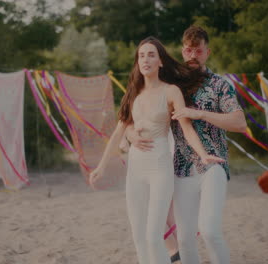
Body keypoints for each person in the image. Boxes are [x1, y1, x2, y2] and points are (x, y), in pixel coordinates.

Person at [89, 36, 224, 264]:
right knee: (138, 236)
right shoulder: (133, 93)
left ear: (161, 61)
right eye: (141, 55)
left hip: (160, 169)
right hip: (135, 169)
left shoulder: (171, 91)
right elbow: (118, 132)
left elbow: (187, 129)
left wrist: (202, 154)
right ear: (137, 62)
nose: (146, 59)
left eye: (151, 54)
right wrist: (101, 167)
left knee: (153, 237)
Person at [126, 25, 247, 264]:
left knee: (210, 231)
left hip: (213, 162)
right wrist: (131, 134)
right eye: (189, 51)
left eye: (198, 51)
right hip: (180, 169)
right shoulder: (173, 85)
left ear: (207, 52)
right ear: (183, 51)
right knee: (184, 240)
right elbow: (133, 115)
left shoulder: (220, 85)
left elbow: (240, 122)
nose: (193, 56)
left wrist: (199, 113)